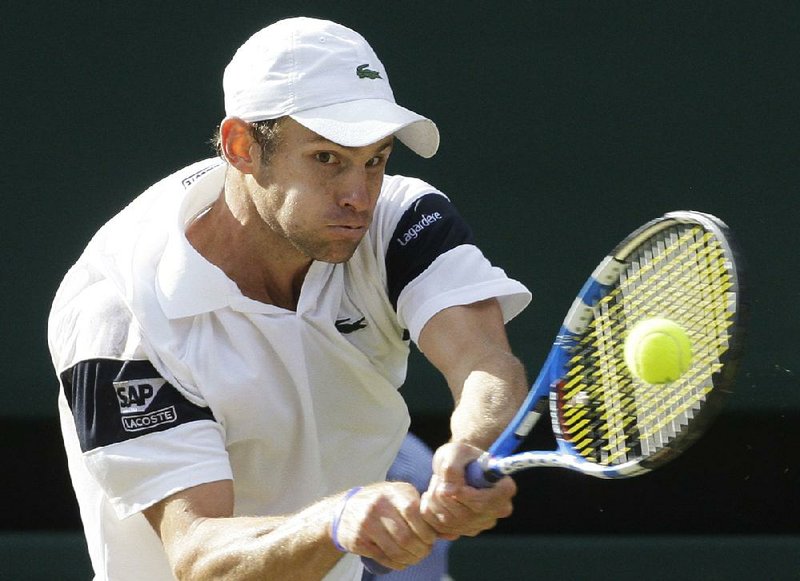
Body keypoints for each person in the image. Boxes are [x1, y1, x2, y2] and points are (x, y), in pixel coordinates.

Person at [48, 17, 531, 581]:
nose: (359, 196)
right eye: (327, 158)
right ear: (242, 146)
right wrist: (337, 519)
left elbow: (485, 363)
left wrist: (471, 447)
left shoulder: (399, 222)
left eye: (375, 159)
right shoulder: (121, 311)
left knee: (417, 470)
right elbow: (198, 555)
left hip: (347, 553)